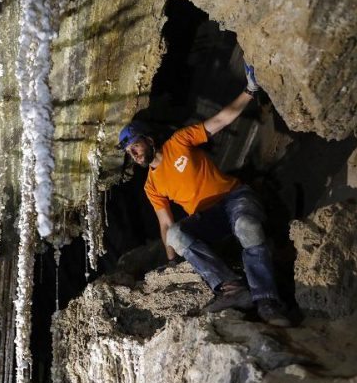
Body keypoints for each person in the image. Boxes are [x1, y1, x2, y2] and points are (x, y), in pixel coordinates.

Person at [118, 64, 290, 326]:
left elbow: (220, 120)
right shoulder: (152, 185)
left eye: (135, 146)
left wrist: (249, 90)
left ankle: (267, 301)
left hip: (234, 197)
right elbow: (166, 223)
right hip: (209, 218)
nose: (134, 154)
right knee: (176, 234)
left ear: (149, 140)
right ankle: (232, 289)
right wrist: (172, 260)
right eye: (129, 151)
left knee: (247, 226)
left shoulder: (179, 142)